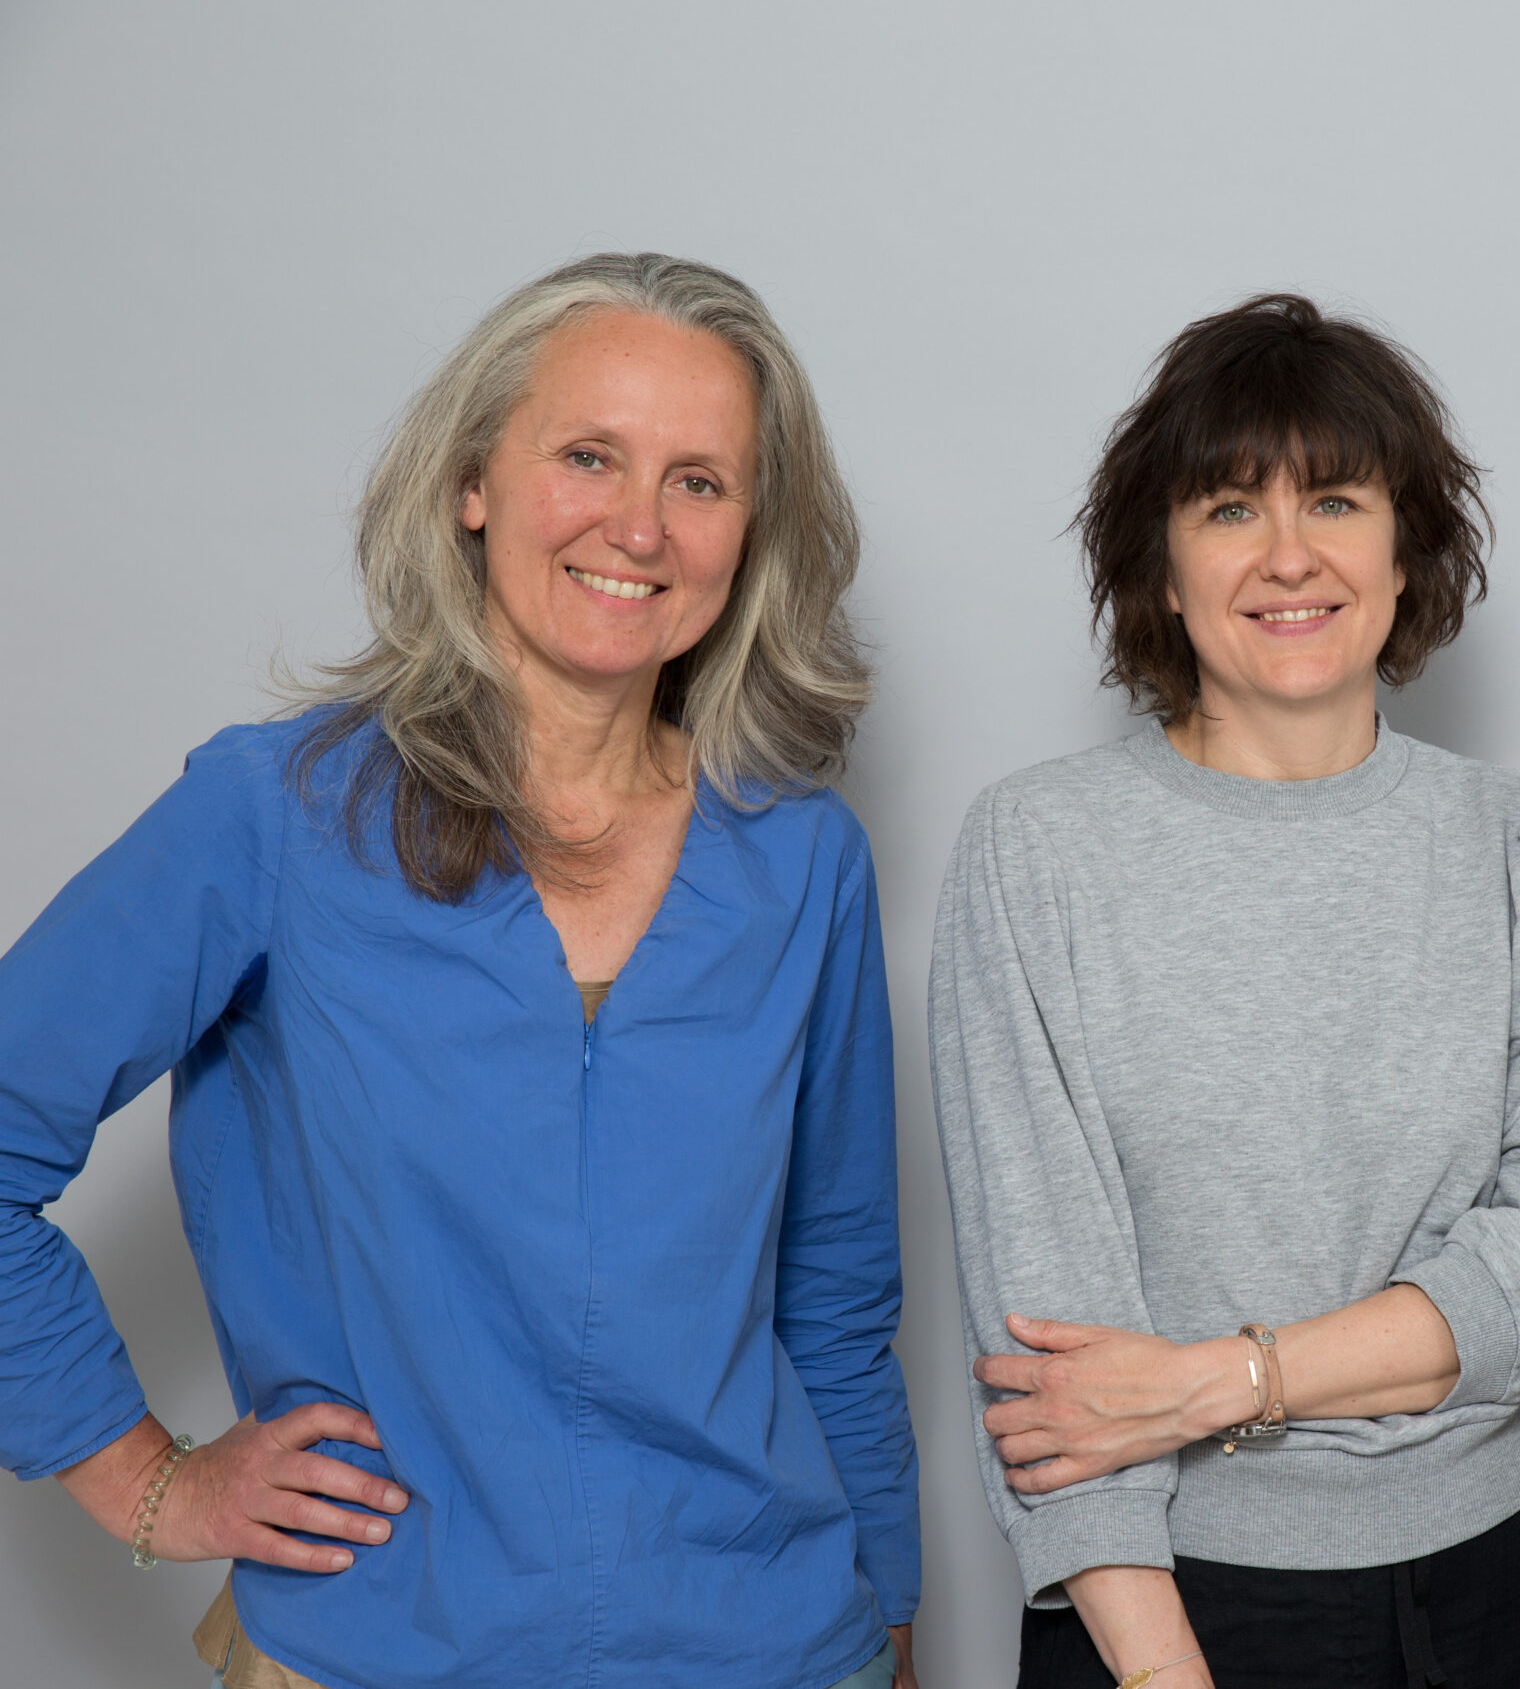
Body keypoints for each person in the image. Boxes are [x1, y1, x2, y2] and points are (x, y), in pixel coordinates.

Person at [0, 253, 921, 1689]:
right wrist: (148, 1483)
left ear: (752, 533)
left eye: (701, 481)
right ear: (471, 485)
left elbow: (837, 1301)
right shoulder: (275, 818)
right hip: (377, 1654)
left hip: (780, 1650)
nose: (639, 526)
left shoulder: (805, 867)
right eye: (588, 456)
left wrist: (896, 1626)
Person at [930, 293, 1520, 1689]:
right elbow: (1050, 1351)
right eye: (1231, 509)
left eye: (1338, 502)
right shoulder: (1038, 853)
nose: (1291, 555)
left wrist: (1218, 1380)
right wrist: (1161, 1670)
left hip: (1508, 1588)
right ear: (1163, 565)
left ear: (1405, 546)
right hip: (1169, 1611)